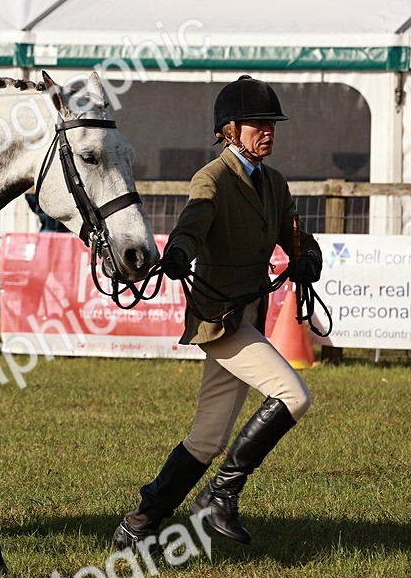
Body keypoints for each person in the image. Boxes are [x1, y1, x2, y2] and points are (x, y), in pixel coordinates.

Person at [113, 75, 322, 550]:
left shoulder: (275, 183)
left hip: (249, 314)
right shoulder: (212, 177)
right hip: (221, 319)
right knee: (293, 395)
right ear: (228, 130)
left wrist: (308, 257)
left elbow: (297, 237)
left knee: (206, 439)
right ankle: (219, 494)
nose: (267, 131)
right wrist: (181, 251)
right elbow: (194, 221)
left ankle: (139, 523)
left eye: (271, 123)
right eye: (256, 123)